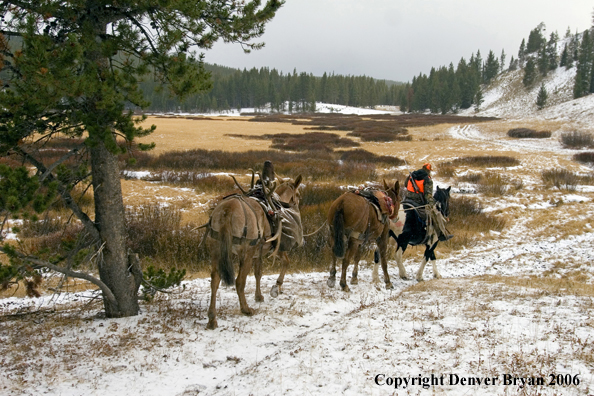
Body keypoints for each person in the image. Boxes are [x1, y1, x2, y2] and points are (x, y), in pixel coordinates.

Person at [404, 163, 453, 242]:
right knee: (436, 214)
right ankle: (441, 234)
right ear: (429, 170)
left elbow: (405, 184)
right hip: (419, 203)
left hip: (406, 200)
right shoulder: (428, 180)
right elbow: (428, 196)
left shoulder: (411, 175)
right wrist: (433, 203)